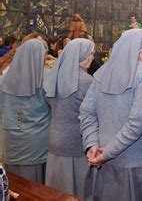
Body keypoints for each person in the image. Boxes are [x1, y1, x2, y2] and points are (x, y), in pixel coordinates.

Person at [79, 29, 142, 201]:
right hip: (133, 163)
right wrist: (106, 153)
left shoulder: (102, 72)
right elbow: (137, 124)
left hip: (102, 158)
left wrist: (92, 145)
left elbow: (86, 112)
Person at [43, 39, 95, 199]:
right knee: (76, 190)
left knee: (56, 189)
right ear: (85, 56)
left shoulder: (54, 75)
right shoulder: (87, 81)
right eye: (92, 53)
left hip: (54, 139)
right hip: (75, 143)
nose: (93, 57)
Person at [1, 39, 50, 183]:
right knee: (34, 188)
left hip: (9, 141)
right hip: (36, 144)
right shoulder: (45, 76)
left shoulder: (5, 77)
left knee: (13, 185)